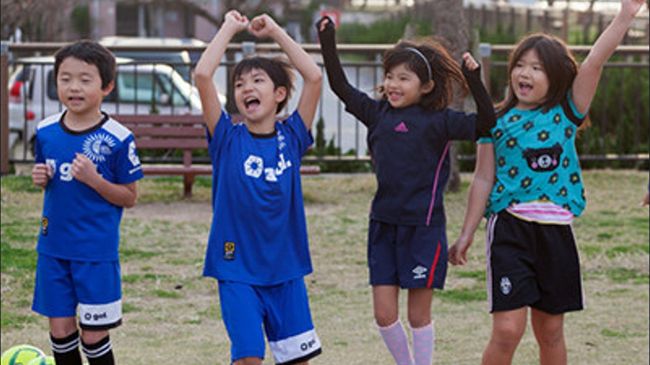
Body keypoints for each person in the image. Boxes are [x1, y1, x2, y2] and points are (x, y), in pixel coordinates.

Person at [448, 1, 647, 364]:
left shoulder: (566, 113)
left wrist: (625, 15)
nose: (525, 73)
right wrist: (467, 232)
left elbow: (594, 63)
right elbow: (482, 178)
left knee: (551, 332)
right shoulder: (494, 120)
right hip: (510, 231)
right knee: (507, 330)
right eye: (520, 66)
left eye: (537, 68)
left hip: (556, 235)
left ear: (555, 76)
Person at [317, 16, 495, 365]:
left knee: (418, 317)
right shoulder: (377, 112)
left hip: (423, 230)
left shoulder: (441, 120)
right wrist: (327, 40)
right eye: (389, 77)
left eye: (403, 78)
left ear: (426, 86)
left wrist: (474, 80)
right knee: (384, 315)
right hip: (383, 226)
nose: (393, 84)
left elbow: (487, 123)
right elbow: (339, 85)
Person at [194, 10, 323, 365]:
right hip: (236, 270)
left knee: (297, 360)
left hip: (286, 270)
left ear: (279, 93)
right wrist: (228, 29)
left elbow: (313, 77)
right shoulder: (226, 138)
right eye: (239, 84)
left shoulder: (293, 136)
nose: (246, 88)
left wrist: (276, 31)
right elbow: (203, 75)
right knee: (248, 358)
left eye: (257, 81)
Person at [30, 40, 144, 365]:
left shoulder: (119, 138)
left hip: (95, 251)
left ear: (106, 86)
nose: (73, 87)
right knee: (60, 330)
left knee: (93, 335)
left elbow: (130, 197)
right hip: (53, 248)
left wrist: (95, 180)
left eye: (84, 79)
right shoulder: (46, 131)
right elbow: (51, 180)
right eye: (65, 79)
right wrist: (42, 178)